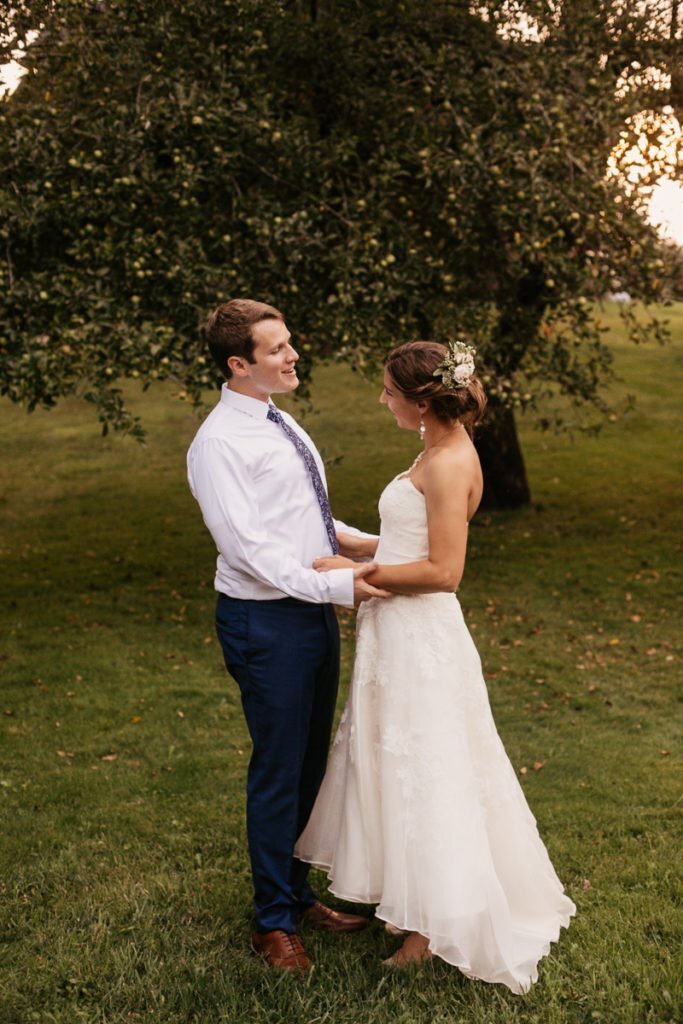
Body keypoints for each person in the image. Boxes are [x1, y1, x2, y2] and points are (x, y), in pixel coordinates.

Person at [296, 340, 576, 993]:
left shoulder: (450, 462)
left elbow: (443, 571)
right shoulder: (433, 450)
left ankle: (430, 929)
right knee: (399, 771)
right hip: (393, 636)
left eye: (387, 391)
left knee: (428, 771)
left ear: (422, 400)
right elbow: (406, 542)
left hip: (420, 640)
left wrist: (356, 573)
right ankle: (414, 897)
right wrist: (344, 537)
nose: (380, 399)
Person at [187, 299, 386, 972]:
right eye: (276, 349)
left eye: (289, 343)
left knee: (308, 763)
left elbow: (311, 524)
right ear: (237, 364)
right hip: (264, 620)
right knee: (278, 770)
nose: (292, 355)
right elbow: (250, 552)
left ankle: (296, 894)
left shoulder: (280, 421)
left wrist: (386, 549)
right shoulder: (218, 444)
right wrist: (340, 586)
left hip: (309, 612)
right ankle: (271, 923)